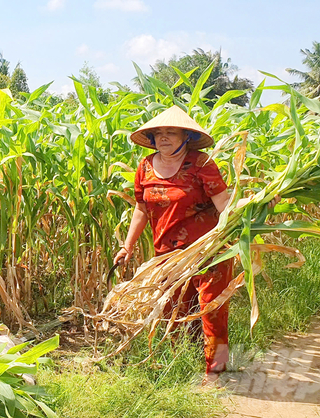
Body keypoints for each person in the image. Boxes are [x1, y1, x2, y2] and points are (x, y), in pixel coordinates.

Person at [113, 105, 277, 383]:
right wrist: (127, 246)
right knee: (174, 310)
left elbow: (224, 205)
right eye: (158, 133)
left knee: (212, 310)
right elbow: (141, 209)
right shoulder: (145, 167)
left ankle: (215, 372)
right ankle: (181, 364)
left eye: (171, 132)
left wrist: (259, 205)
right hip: (167, 256)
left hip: (209, 250)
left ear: (186, 136)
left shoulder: (201, 163)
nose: (164, 138)